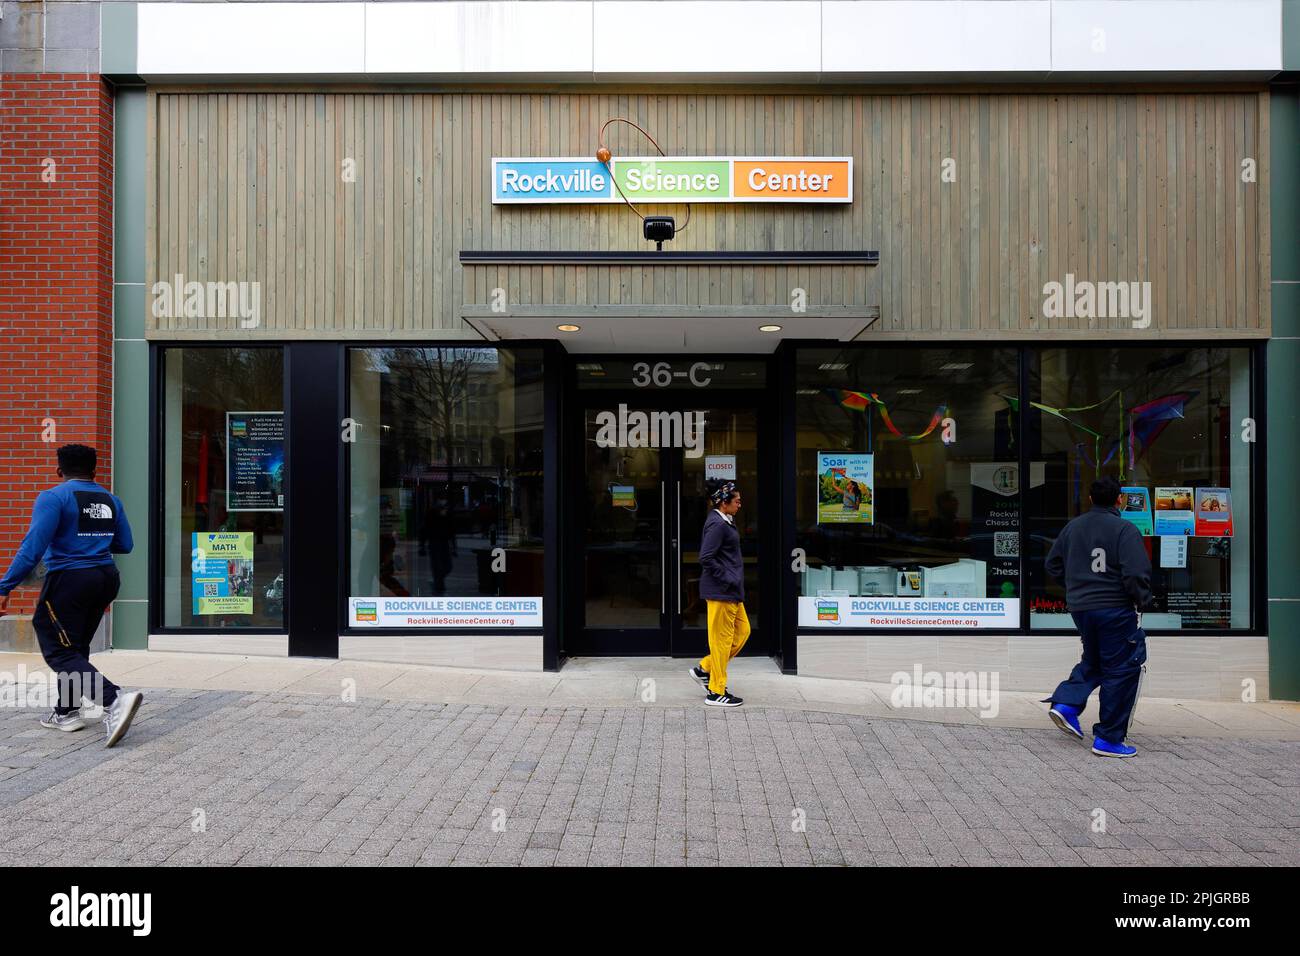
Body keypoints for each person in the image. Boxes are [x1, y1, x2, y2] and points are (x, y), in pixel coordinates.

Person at [0, 444, 144, 747]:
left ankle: (113, 699)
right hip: (105, 577)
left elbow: (32, 548)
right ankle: (66, 712)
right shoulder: (110, 500)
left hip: (70, 580)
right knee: (74, 646)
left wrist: (4, 587)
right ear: (94, 471)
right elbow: (125, 544)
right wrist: (91, 542)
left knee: (58, 649)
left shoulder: (54, 497)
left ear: (59, 471)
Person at [1043, 475, 1152, 758]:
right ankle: (1109, 739)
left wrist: (1075, 588)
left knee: (1094, 660)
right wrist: (1143, 600)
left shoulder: (1073, 527)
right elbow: (1136, 573)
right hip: (1115, 609)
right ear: (1119, 499)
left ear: (1090, 499)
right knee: (1122, 669)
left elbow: (1052, 564)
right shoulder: (1124, 529)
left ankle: (1066, 704)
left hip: (1082, 609)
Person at [689, 479, 749, 707]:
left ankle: (704, 668)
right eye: (737, 501)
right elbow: (706, 557)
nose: (740, 505)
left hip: (730, 591)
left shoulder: (725, 520)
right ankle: (715, 691)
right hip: (721, 591)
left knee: (742, 632)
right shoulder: (717, 524)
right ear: (724, 502)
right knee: (722, 642)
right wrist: (729, 577)